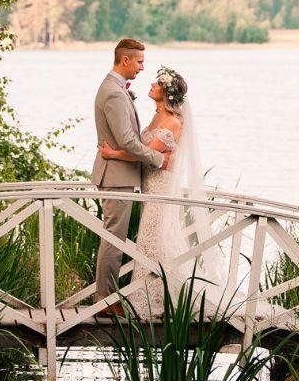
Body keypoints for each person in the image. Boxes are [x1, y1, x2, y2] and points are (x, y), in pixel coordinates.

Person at [99, 64, 222, 316]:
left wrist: (113, 153)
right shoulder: (156, 116)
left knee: (154, 239)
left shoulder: (173, 121)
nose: (151, 85)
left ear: (165, 92)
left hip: (159, 187)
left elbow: (145, 153)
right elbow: (146, 150)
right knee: (151, 240)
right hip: (150, 185)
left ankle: (160, 298)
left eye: (156, 84)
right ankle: (153, 293)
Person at [92, 38, 172, 317]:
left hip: (120, 173)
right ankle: (106, 301)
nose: (141, 68)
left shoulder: (115, 89)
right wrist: (158, 158)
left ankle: (108, 297)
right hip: (116, 177)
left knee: (114, 237)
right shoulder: (113, 93)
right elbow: (127, 140)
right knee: (113, 239)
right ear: (125, 60)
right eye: (139, 62)